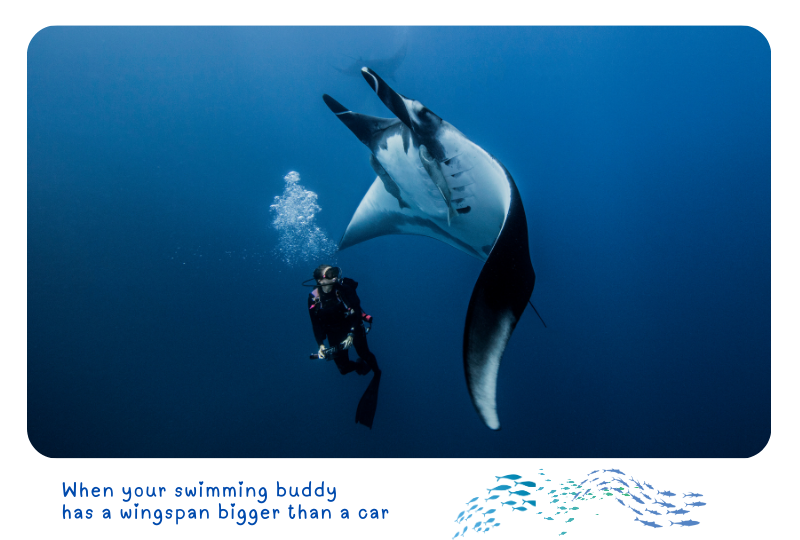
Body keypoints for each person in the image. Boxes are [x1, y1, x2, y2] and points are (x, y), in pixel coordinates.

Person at [308, 265, 381, 377]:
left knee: (364, 353)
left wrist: (351, 335)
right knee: (343, 368)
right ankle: (359, 366)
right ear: (320, 280)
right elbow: (316, 324)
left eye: (335, 272)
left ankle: (377, 371)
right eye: (330, 274)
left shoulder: (344, 289)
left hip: (353, 325)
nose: (334, 276)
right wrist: (321, 345)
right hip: (333, 332)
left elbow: (356, 312)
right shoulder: (313, 299)